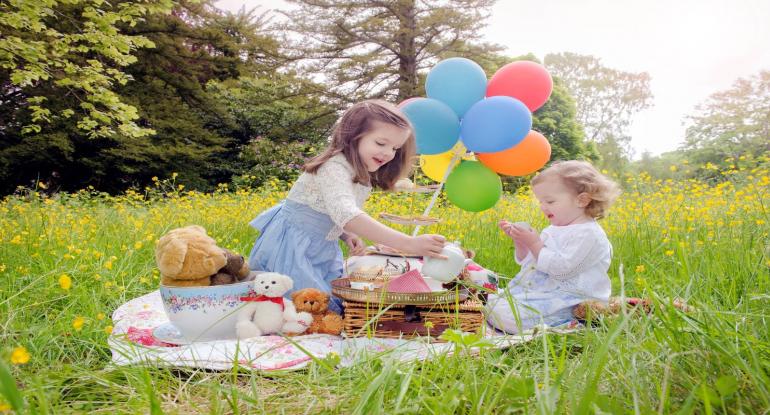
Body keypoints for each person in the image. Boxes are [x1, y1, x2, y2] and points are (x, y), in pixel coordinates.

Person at [247, 100, 446, 313]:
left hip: (320, 247)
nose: (389, 153)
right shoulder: (333, 167)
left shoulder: (358, 172)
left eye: (395, 148)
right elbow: (347, 213)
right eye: (381, 143)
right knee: (304, 307)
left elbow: (332, 210)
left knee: (332, 302)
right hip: (293, 245)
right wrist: (408, 243)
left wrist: (345, 234)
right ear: (353, 137)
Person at [486, 160, 621, 333]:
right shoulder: (554, 229)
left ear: (582, 200)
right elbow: (532, 262)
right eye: (540, 201)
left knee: (506, 315)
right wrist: (522, 242)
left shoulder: (589, 235)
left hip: (571, 300)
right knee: (491, 302)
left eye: (549, 201)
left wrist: (534, 243)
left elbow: (562, 270)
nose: (543, 207)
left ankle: (576, 321)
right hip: (544, 292)